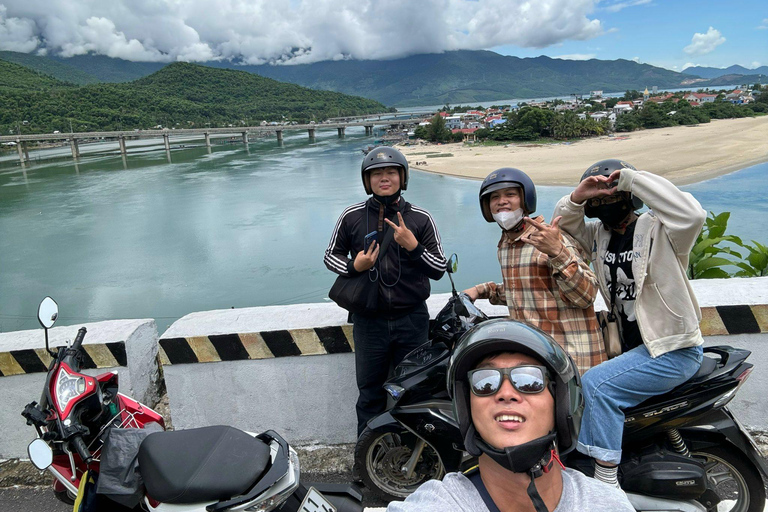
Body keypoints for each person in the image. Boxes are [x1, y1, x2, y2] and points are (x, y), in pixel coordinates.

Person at [553, 159, 705, 487]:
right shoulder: (598, 236)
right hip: (636, 352)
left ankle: (604, 482)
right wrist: (579, 195)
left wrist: (632, 179)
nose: (606, 203)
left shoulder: (661, 230)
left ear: (628, 196)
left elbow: (692, 214)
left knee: (596, 384)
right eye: (599, 201)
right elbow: (563, 224)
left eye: (613, 196)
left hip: (673, 350)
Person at [388, 319, 634, 512]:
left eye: (529, 380)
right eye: (485, 382)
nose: (506, 393)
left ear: (561, 401)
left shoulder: (607, 504)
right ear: (466, 407)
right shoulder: (438, 504)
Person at [324, 146, 447, 436]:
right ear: (367, 181)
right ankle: (367, 459)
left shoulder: (421, 218)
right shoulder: (351, 216)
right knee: (370, 393)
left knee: (414, 392)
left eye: (391, 172)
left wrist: (413, 246)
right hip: (369, 320)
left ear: (402, 177)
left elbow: (439, 267)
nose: (384, 178)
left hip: (412, 319)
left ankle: (414, 456)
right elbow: (330, 257)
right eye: (376, 173)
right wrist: (356, 264)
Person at [462, 168, 606, 375]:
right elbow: (525, 290)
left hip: (573, 361)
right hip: (538, 357)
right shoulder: (507, 244)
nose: (502, 201)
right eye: (495, 197)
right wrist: (481, 290)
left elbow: (588, 295)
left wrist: (557, 252)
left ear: (525, 199)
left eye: (510, 194)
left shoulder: (549, 237)